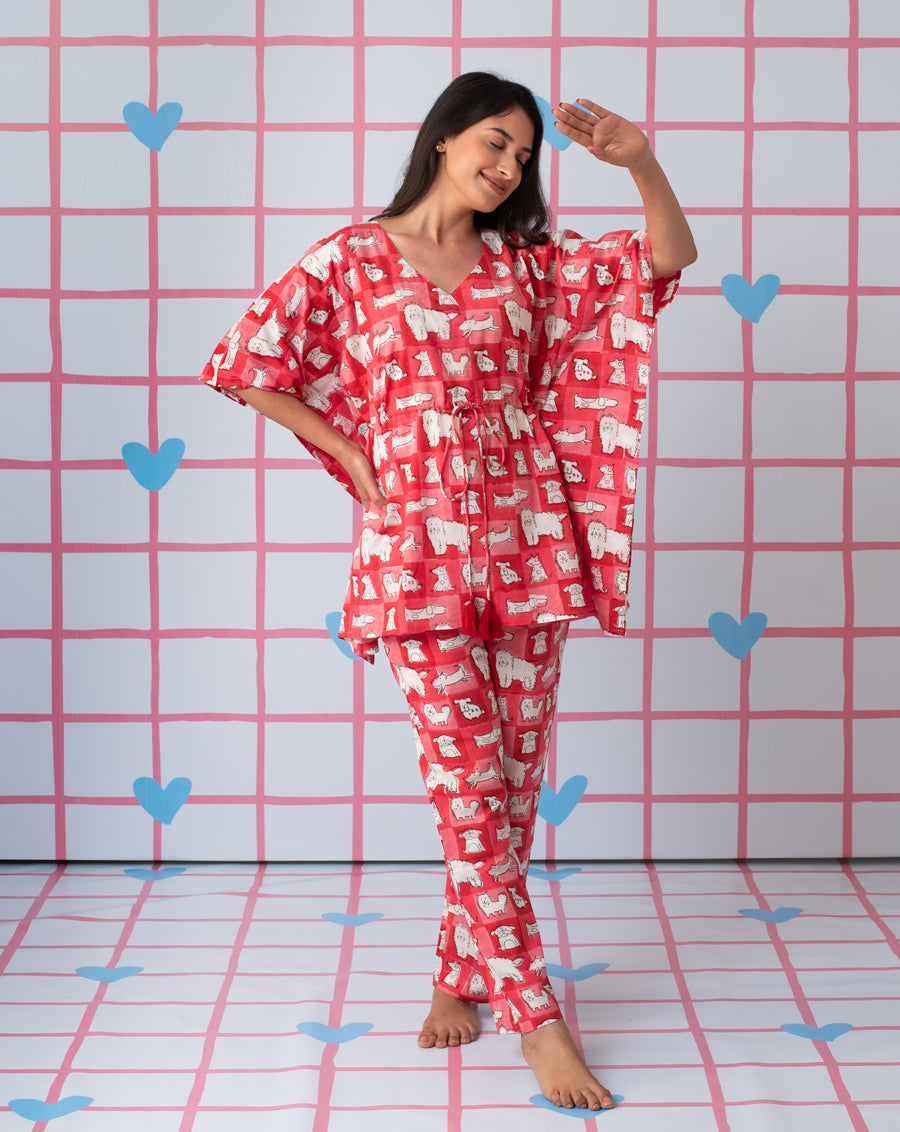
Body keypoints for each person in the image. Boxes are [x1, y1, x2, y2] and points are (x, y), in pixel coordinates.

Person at [201, 71, 696, 1112]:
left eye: (525, 155)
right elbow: (246, 361)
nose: (510, 167)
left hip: (528, 543)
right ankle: (536, 1017)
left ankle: (457, 971)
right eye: (495, 143)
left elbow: (665, 261)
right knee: (466, 787)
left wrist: (641, 163)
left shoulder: (527, 266)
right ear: (444, 138)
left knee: (506, 791)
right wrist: (352, 453)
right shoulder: (351, 259)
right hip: (415, 556)